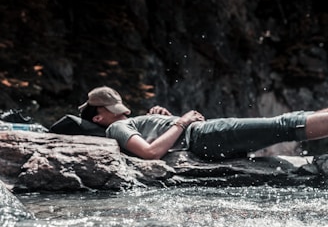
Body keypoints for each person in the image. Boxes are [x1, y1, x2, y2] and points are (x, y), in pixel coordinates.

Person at [78, 86, 328, 160]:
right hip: (204, 136)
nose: (121, 114)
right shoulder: (115, 127)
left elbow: (159, 140)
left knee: (289, 121)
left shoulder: (127, 122)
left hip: (205, 136)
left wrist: (164, 120)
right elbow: (151, 153)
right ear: (99, 118)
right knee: (283, 125)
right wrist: (181, 122)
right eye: (113, 110)